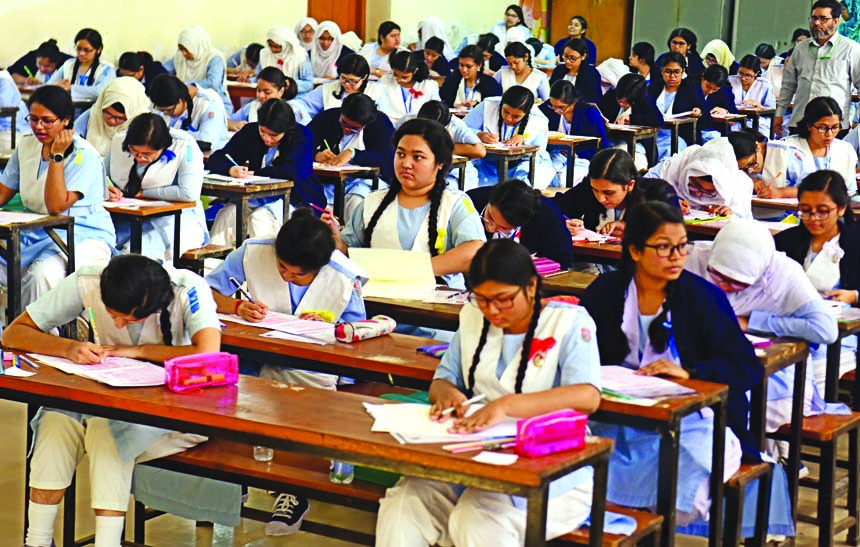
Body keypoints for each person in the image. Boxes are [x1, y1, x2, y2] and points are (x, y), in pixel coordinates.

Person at [376, 238, 600, 547]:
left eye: (503, 299)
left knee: (477, 521)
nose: (492, 310)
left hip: (552, 465)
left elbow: (587, 396)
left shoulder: (569, 322)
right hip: (472, 456)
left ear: (532, 286)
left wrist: (507, 406)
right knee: (404, 504)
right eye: (482, 298)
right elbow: (444, 379)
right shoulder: (472, 316)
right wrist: (447, 395)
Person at [4, 254, 220, 547]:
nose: (118, 325)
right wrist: (68, 348)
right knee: (55, 420)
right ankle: (37, 540)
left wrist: (138, 351)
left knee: (107, 433)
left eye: (132, 319)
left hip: (174, 410)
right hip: (107, 398)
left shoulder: (187, 288)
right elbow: (14, 333)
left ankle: (108, 542)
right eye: (111, 312)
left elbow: (208, 355)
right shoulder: (89, 279)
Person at [580, 201, 763, 529]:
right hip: (617, 415)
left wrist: (691, 374)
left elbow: (746, 366)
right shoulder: (605, 293)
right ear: (635, 251)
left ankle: (651, 530)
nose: (677, 257)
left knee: (687, 474)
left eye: (681, 246)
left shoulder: (701, 296)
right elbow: (578, 355)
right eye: (664, 248)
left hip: (693, 420)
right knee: (579, 465)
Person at [206, 209, 366, 536]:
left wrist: (333, 326)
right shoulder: (254, 251)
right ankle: (235, 482)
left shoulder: (342, 275)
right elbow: (205, 291)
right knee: (235, 403)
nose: (287, 277)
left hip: (311, 366)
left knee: (300, 414)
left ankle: (292, 489)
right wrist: (236, 306)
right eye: (282, 268)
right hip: (255, 355)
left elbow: (359, 331)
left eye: (298, 275)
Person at [685, 219, 839, 446]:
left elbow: (825, 329)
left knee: (728, 406)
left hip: (771, 373)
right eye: (717, 275)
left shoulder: (785, 275)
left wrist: (753, 321)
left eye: (737, 283)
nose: (723, 287)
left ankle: (754, 460)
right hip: (705, 361)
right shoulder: (693, 257)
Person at [329, 118, 485, 290]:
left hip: (435, 305)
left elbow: (474, 252)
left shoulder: (455, 204)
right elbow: (350, 254)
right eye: (400, 154)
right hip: (376, 302)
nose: (406, 164)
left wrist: (412, 270)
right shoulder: (372, 202)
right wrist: (336, 242)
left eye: (417, 157)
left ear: (440, 163)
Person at [0, 86, 115, 306]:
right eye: (33, 119)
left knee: (41, 275)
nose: (38, 126)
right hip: (35, 231)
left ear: (66, 120)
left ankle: (38, 337)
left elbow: (55, 206)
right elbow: (3, 192)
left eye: (47, 120)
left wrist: (57, 155)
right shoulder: (26, 145)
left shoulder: (84, 155)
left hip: (81, 235)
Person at [775, 170, 860, 387]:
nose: (813, 219)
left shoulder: (856, 242)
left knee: (806, 380)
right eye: (805, 211)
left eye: (823, 211)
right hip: (788, 330)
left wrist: (854, 296)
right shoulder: (785, 241)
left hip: (839, 337)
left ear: (841, 208)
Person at [208, 99, 321, 246]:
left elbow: (295, 173)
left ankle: (267, 265)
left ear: (286, 130)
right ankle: (216, 264)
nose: (267, 139)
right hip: (257, 195)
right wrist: (231, 169)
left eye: (274, 135)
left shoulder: (302, 136)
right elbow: (217, 158)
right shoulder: (251, 131)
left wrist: (257, 173)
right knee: (227, 214)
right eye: (263, 132)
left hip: (296, 197)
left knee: (260, 218)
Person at [105, 113, 209, 261]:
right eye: (135, 152)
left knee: (140, 253)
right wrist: (107, 189)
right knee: (104, 247)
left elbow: (188, 193)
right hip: (126, 217)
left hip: (173, 219)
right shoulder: (119, 141)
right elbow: (103, 175)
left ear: (163, 147)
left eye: (147, 154)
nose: (140, 158)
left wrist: (144, 193)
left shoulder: (185, 145)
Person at [775, 0, 860, 136]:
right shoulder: (801, 48)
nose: (816, 23)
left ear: (836, 21)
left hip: (833, 127)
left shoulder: (850, 49)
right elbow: (788, 85)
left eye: (823, 19)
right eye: (814, 18)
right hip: (801, 122)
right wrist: (779, 113)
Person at [554, 148, 680, 238]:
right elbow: (552, 208)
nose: (601, 198)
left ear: (630, 185)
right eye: (595, 190)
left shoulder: (658, 193)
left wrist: (632, 229)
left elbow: (673, 231)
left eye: (608, 192)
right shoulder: (588, 188)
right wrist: (562, 223)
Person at [307, 93, 396, 219]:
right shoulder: (328, 117)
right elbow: (301, 143)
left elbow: (386, 159)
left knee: (356, 204)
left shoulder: (380, 123)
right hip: (328, 181)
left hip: (364, 181)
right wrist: (316, 155)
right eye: (344, 123)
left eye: (355, 128)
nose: (347, 130)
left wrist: (353, 154)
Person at [762, 97, 857, 198]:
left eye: (835, 127)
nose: (829, 134)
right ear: (809, 125)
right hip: (792, 211)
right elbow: (774, 189)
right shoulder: (786, 149)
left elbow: (849, 191)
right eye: (822, 128)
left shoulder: (845, 150)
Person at [463, 86, 555, 189]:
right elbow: (462, 130)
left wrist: (524, 142)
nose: (509, 118)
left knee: (525, 183)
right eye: (506, 112)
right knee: (470, 179)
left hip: (520, 166)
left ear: (526, 114)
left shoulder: (538, 120)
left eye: (516, 116)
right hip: (487, 164)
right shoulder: (487, 107)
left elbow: (539, 154)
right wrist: (479, 134)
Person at [468, 179, 573, 269]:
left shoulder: (547, 215)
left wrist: (534, 264)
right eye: (489, 217)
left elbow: (562, 261)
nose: (490, 229)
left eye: (503, 228)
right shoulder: (470, 202)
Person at [647, 136, 755, 218]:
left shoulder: (740, 185)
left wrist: (732, 213)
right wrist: (667, 200)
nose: (698, 193)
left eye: (709, 192)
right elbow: (640, 188)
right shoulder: (672, 167)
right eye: (695, 185)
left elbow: (746, 224)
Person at [408, 100, 485, 191]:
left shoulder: (456, 125)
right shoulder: (409, 121)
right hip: (423, 171)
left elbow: (480, 151)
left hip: (455, 174)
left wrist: (441, 148)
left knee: (442, 192)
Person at [647, 52, 712, 159]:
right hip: (654, 133)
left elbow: (707, 121)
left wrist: (699, 113)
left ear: (683, 71)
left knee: (670, 151)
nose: (672, 76)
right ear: (661, 70)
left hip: (680, 135)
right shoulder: (654, 88)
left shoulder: (692, 90)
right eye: (668, 72)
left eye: (677, 72)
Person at [539, 80, 605, 183]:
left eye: (561, 107)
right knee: (541, 174)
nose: (556, 111)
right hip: (554, 155)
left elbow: (601, 147)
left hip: (581, 159)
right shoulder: (548, 109)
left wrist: (578, 154)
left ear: (573, 102)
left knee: (565, 178)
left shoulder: (589, 114)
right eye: (553, 106)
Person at [73, 77, 151, 159]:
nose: (112, 121)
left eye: (119, 118)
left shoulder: (143, 125)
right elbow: (74, 135)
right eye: (107, 114)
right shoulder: (95, 113)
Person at [148, 73, 229, 150]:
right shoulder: (163, 100)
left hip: (208, 157)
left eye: (169, 111)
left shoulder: (209, 104)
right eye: (161, 111)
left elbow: (207, 141)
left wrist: (169, 132)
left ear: (181, 100)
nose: (165, 114)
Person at [163, 27, 232, 114]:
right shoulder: (179, 58)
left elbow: (213, 83)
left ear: (195, 46)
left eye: (186, 49)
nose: (183, 53)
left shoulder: (214, 59)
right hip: (187, 104)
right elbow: (163, 70)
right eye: (181, 49)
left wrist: (185, 86)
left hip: (214, 104)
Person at [294, 54, 385, 119]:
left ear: (364, 77)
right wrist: (299, 111)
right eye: (344, 79)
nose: (347, 84)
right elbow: (302, 104)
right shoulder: (327, 89)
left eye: (353, 81)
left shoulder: (376, 91)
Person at [47, 28, 115, 102]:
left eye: (87, 50)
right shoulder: (69, 64)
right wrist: (57, 85)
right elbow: (49, 85)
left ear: (99, 50)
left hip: (92, 111)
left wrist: (70, 88)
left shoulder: (106, 69)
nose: (81, 53)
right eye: (78, 49)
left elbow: (100, 91)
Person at [377, 50, 441, 121]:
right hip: (391, 124)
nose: (399, 79)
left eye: (404, 77)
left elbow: (436, 109)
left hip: (419, 125)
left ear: (415, 71)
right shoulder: (385, 80)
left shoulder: (429, 86)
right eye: (395, 75)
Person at [227, 67, 294, 131]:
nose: (261, 96)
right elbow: (226, 121)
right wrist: (236, 125)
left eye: (267, 92)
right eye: (258, 90)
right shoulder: (252, 107)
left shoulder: (292, 110)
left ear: (281, 91)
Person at [728, 55, 776, 137]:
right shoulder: (730, 81)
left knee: (757, 135)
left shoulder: (765, 85)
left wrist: (759, 106)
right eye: (741, 73)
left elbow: (771, 111)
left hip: (758, 121)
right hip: (735, 119)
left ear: (757, 73)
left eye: (748, 75)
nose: (743, 78)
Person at [258, 25, 314, 95]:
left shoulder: (300, 55)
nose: (272, 49)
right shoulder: (265, 54)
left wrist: (290, 84)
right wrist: (248, 80)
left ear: (286, 45)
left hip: (295, 97)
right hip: (268, 96)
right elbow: (259, 77)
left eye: (277, 46)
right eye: (270, 45)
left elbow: (308, 84)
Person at [549, 39, 603, 103]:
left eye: (572, 58)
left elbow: (594, 98)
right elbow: (550, 91)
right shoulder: (558, 70)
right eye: (565, 56)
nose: (568, 61)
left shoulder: (591, 73)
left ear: (583, 56)